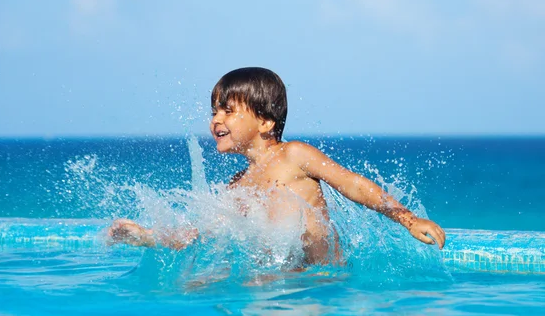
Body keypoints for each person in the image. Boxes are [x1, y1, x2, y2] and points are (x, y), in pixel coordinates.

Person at [109, 67, 446, 266]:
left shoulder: (293, 155)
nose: (216, 120)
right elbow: (199, 235)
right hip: (279, 283)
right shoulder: (237, 185)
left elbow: (352, 185)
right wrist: (149, 238)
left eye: (228, 110)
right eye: (214, 112)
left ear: (266, 123)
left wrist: (408, 219)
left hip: (323, 280)